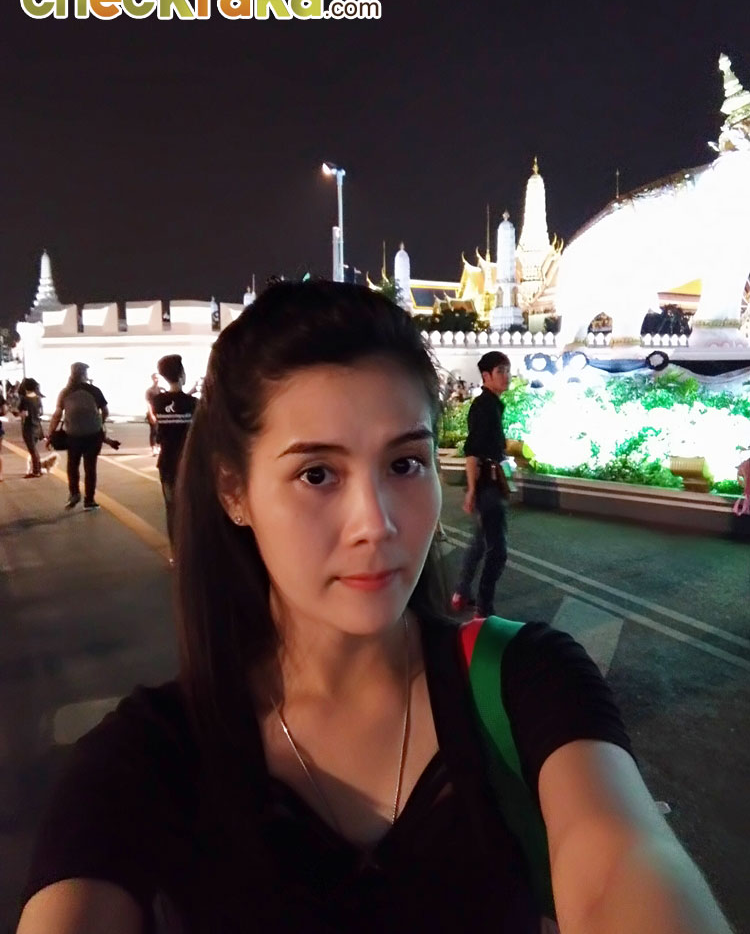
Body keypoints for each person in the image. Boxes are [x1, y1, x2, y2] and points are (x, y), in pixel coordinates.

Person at [17, 282, 732, 934]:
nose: (376, 523)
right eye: (317, 474)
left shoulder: (527, 684)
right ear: (234, 490)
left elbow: (617, 870)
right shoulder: (149, 759)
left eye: (404, 464)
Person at [451, 350, 511, 617]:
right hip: (486, 485)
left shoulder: (493, 404)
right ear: (486, 376)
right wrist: (472, 490)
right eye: (501, 371)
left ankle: (461, 593)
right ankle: (484, 608)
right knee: (497, 550)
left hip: (490, 481)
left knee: (479, 542)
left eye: (507, 370)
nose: (507, 376)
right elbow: (472, 451)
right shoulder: (483, 406)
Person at [46, 362, 108, 511]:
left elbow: (57, 415)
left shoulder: (65, 392)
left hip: (73, 435)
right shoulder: (94, 390)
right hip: (93, 435)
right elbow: (106, 411)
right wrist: (99, 423)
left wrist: (50, 434)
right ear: (84, 374)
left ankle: (74, 493)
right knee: (90, 468)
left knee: (72, 465)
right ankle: (89, 501)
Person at [151, 354, 198, 549]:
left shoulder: (157, 401)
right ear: (181, 374)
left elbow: (159, 427)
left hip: (166, 463)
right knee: (192, 509)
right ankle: (192, 550)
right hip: (190, 463)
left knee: (172, 509)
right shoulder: (194, 404)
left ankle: (175, 552)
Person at [145, 373, 163, 456]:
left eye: (158, 378)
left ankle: (158, 446)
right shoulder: (149, 391)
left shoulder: (162, 389)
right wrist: (151, 414)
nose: (157, 380)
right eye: (155, 378)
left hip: (161, 413)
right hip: (153, 412)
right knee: (154, 430)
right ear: (152, 379)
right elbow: (148, 403)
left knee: (160, 430)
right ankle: (153, 447)